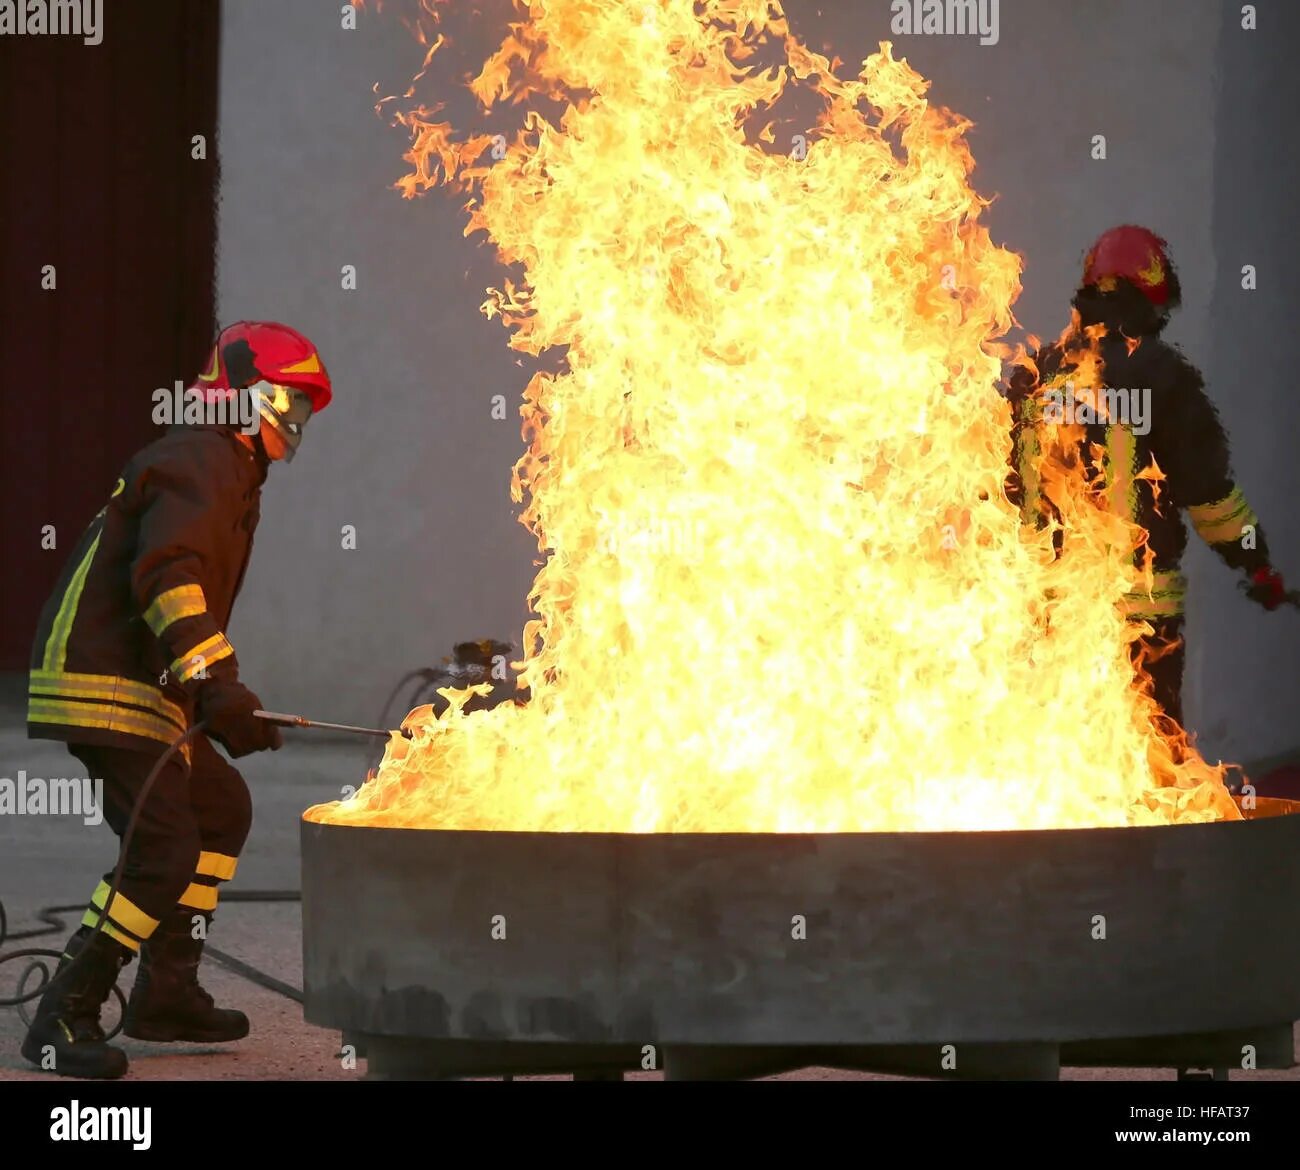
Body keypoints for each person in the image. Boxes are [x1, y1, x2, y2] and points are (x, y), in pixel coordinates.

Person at [22, 321, 332, 1079]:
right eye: (290, 401)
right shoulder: (205, 454)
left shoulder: (224, 465)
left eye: (305, 409)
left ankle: (168, 990)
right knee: (163, 849)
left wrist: (211, 702)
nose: (297, 421)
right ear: (244, 392)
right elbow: (169, 576)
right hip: (105, 679)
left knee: (220, 809)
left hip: (144, 685)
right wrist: (216, 686)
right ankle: (64, 1012)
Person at [1005, 225, 1288, 742]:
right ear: (1154, 299)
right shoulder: (1164, 375)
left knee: (1048, 741)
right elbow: (1210, 497)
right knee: (1146, 750)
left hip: (1042, 602)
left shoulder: (1036, 373)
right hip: (1141, 612)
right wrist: (1257, 565)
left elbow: (1000, 487)